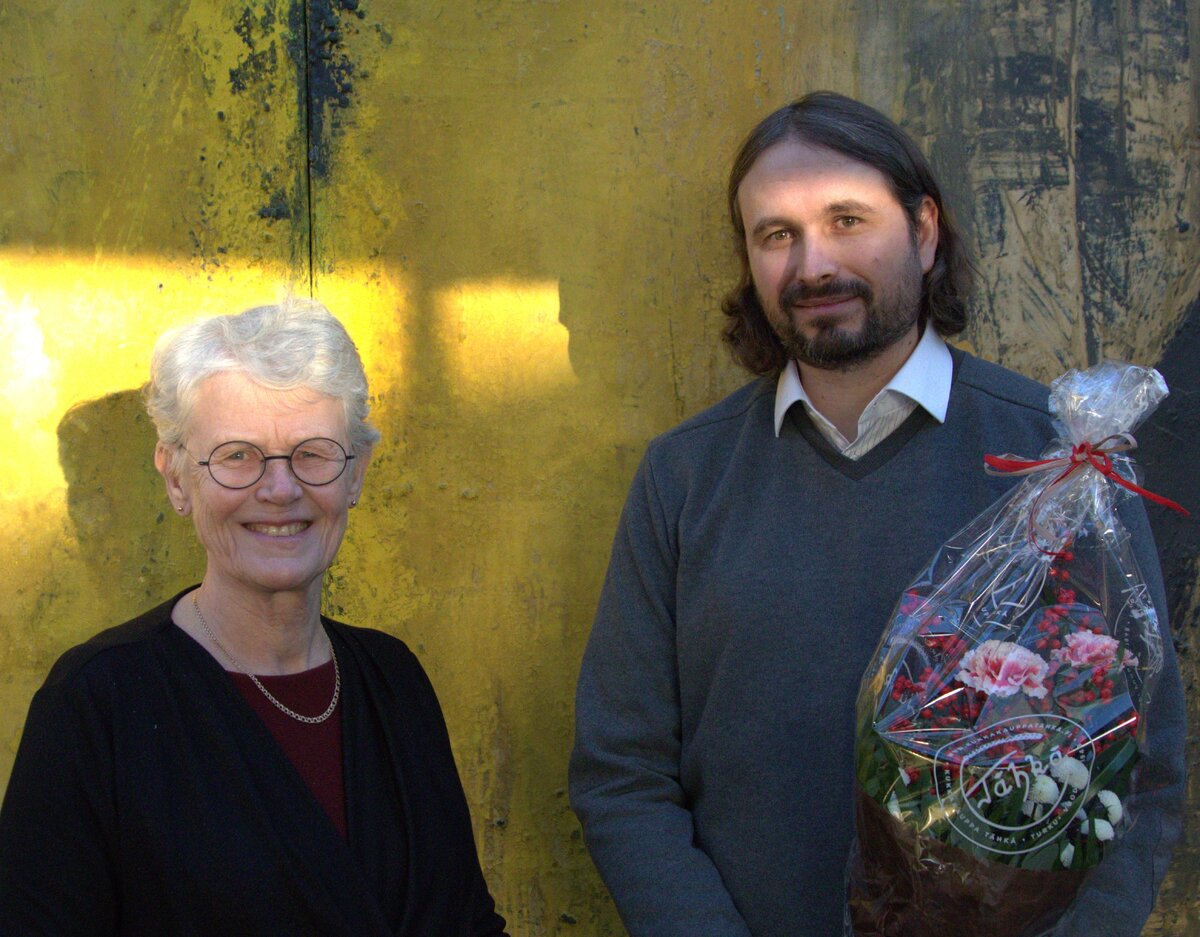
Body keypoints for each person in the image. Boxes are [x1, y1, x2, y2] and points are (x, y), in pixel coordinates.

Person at [568, 92, 1185, 936]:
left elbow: (1143, 772)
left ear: (925, 232)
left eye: (847, 220)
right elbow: (622, 773)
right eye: (775, 234)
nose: (812, 264)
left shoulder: (1061, 462)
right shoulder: (684, 477)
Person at [0, 300, 507, 936]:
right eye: (237, 455)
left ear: (356, 475)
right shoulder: (97, 703)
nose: (281, 489)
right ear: (177, 479)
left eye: (313, 453)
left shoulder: (394, 679)